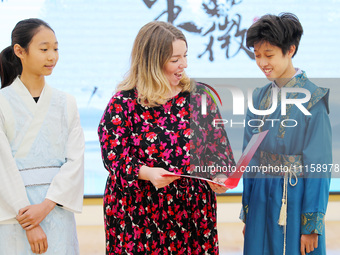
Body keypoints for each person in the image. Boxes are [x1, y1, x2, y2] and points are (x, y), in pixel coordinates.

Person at [98, 21, 235, 254]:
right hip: (138, 215)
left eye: (185, 56)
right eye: (175, 59)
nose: (184, 64)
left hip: (192, 214)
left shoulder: (199, 96)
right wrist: (147, 173)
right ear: (152, 62)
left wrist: (219, 175)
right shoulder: (124, 102)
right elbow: (115, 158)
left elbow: (219, 148)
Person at [241, 13, 332, 255]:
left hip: (294, 197)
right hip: (260, 198)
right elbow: (249, 158)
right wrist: (248, 209)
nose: (262, 63)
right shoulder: (259, 97)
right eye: (257, 55)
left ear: (290, 50)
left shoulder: (313, 99)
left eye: (269, 55)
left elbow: (319, 165)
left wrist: (311, 224)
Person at [0, 18, 84, 254]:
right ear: (19, 51)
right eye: (44, 49)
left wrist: (46, 207)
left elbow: (75, 162)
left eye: (56, 49)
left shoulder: (66, 102)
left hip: (56, 210)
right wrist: (28, 219)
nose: (52, 57)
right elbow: (2, 166)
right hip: (15, 215)